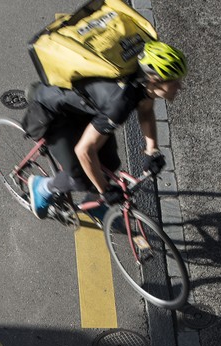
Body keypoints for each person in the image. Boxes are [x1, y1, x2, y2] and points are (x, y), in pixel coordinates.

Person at [23, 40, 187, 219]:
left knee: (110, 164)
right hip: (55, 114)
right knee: (80, 178)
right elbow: (84, 150)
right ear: (154, 80)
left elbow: (146, 112)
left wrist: (151, 150)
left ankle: (93, 205)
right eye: (175, 82)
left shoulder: (142, 82)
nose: (180, 86)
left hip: (86, 110)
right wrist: (105, 190)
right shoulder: (120, 104)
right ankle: (42, 187)